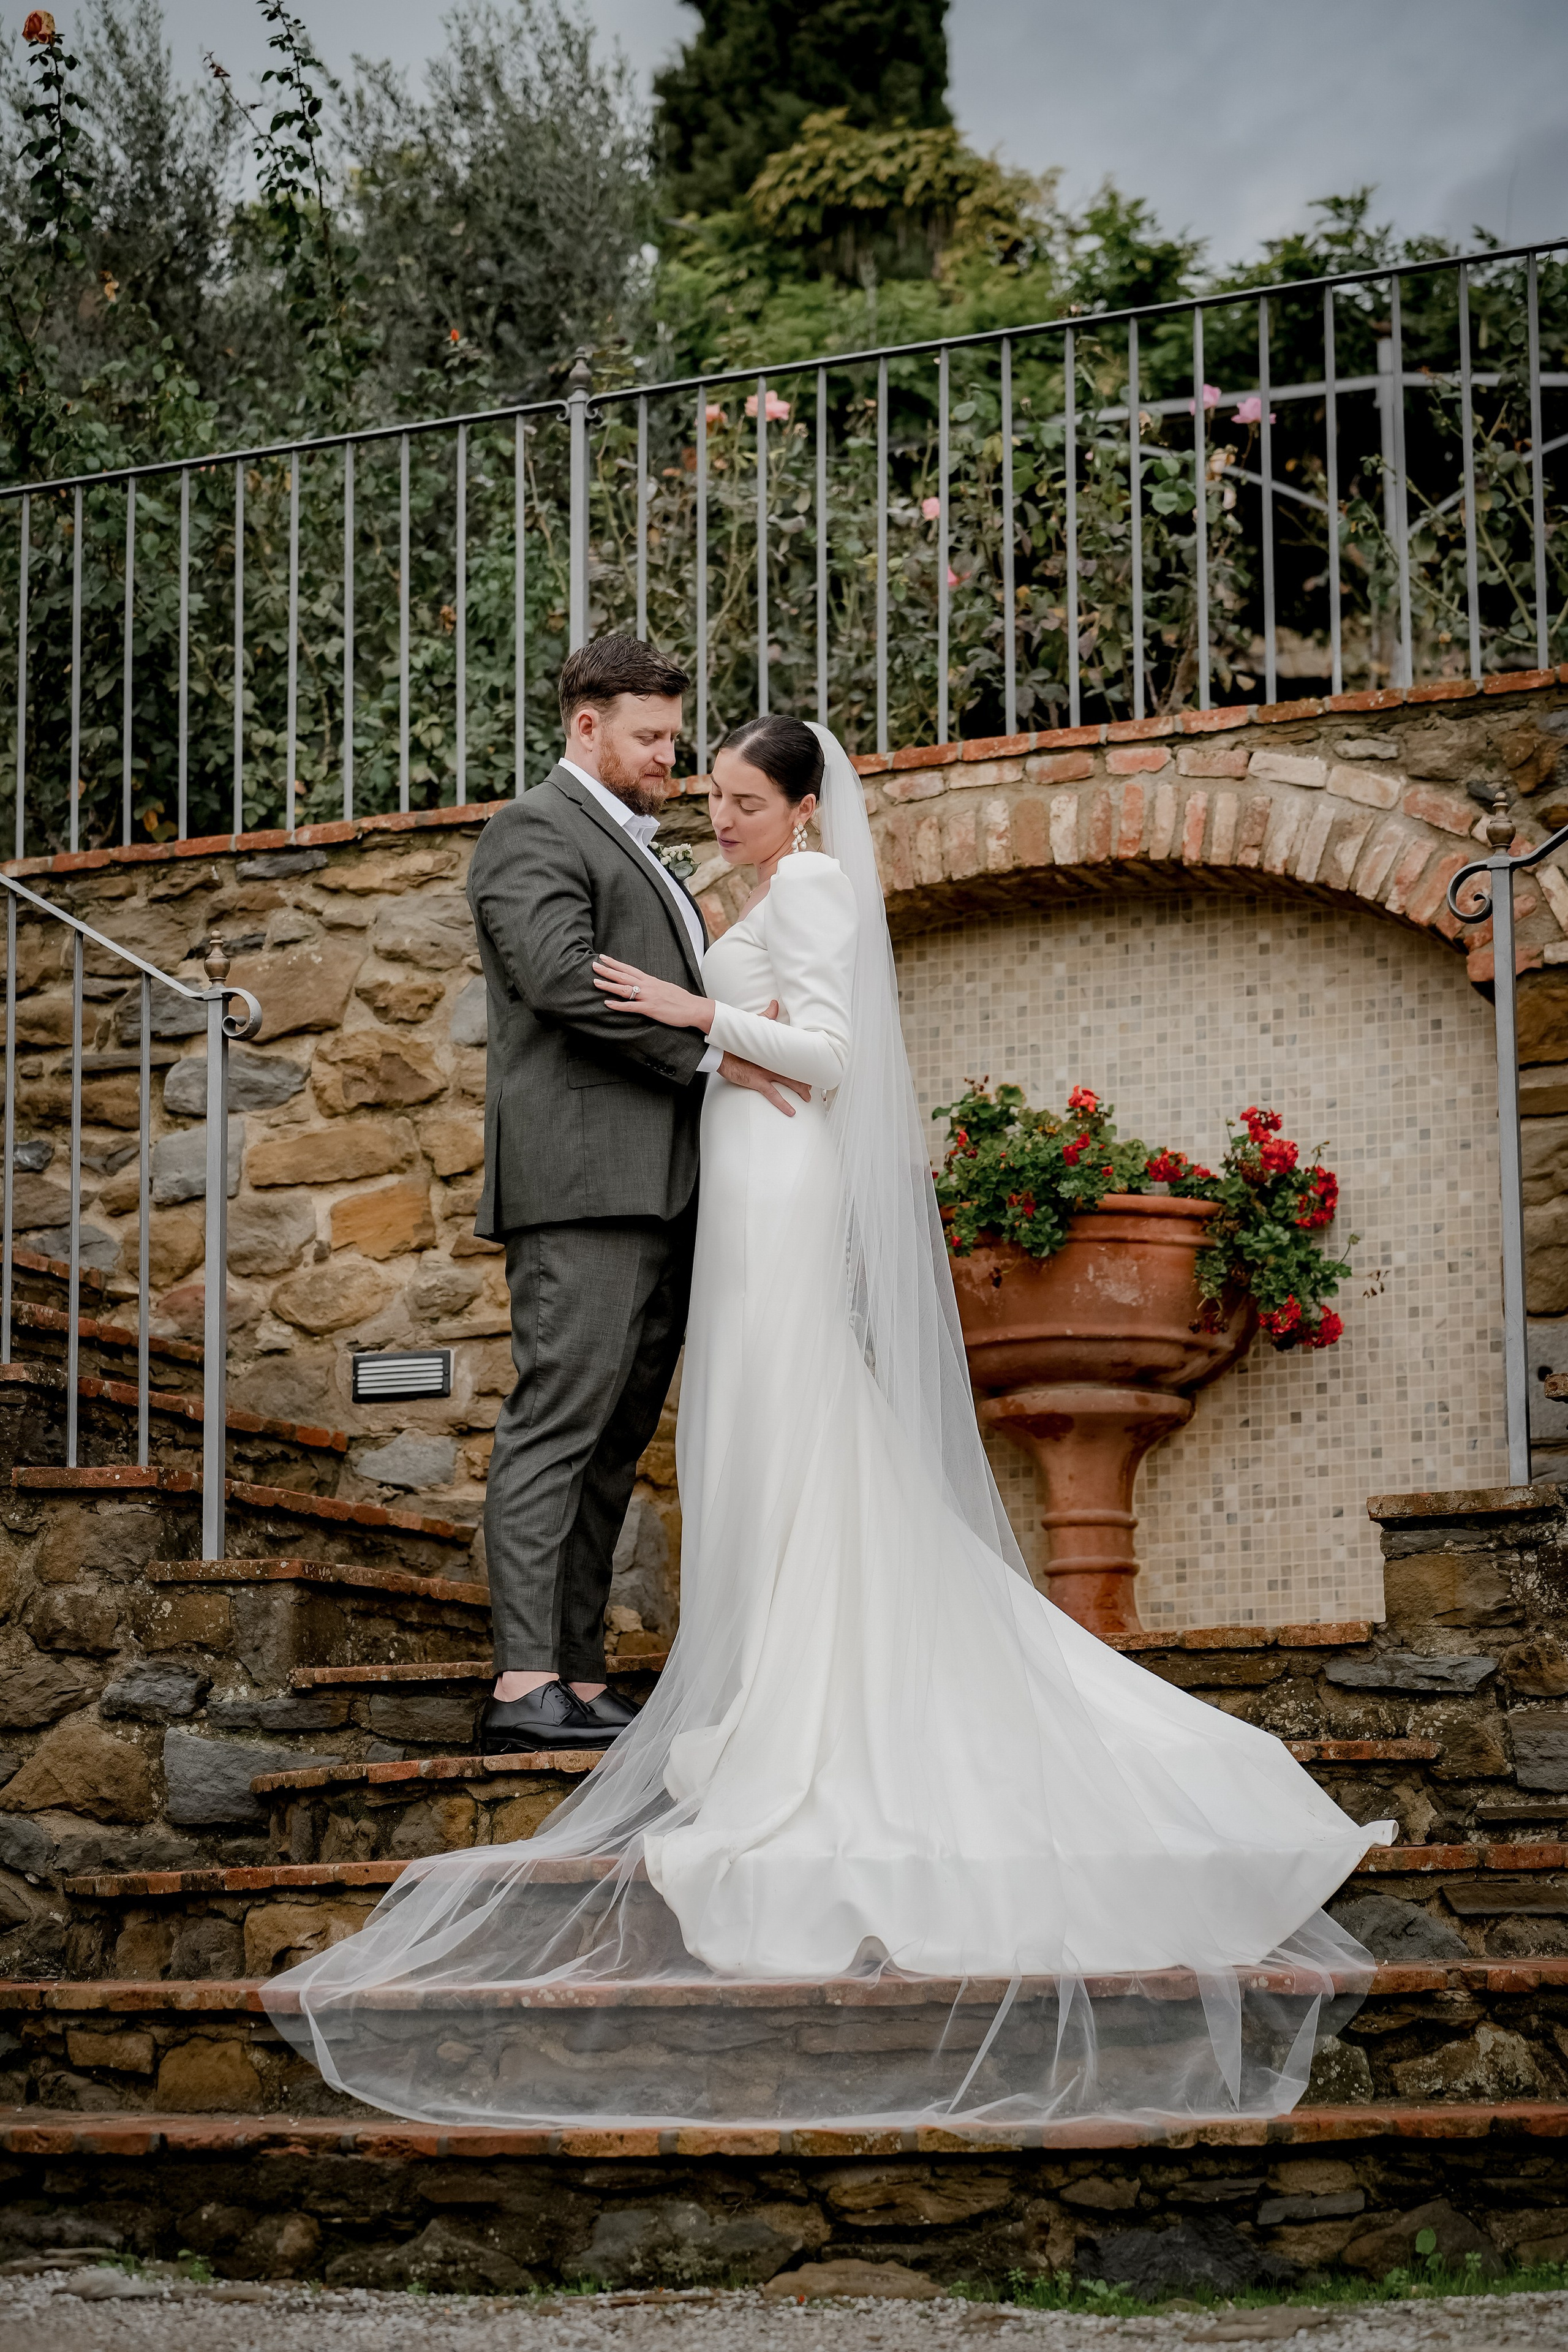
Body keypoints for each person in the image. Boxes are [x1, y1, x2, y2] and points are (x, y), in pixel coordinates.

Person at [267, 714, 1392, 2133]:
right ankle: (753, 1681)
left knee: (789, 1419)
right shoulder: (739, 883)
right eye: (710, 793)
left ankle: (791, 1700)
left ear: (803, 808)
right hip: (732, 1179)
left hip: (778, 1176)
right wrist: (704, 1030)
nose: (719, 815)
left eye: (741, 798)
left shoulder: (806, 885)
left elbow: (833, 1056)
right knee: (751, 1431)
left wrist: (693, 1019)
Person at [464, 638, 805, 1757]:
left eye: (672, 736)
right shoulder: (531, 831)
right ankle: (522, 1684)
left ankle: (575, 1674)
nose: (671, 758)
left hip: (665, 1190)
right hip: (584, 1186)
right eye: (650, 737)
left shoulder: (634, 846)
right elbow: (561, 978)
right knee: (559, 1424)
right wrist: (713, 1054)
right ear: (587, 727)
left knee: (613, 1445)